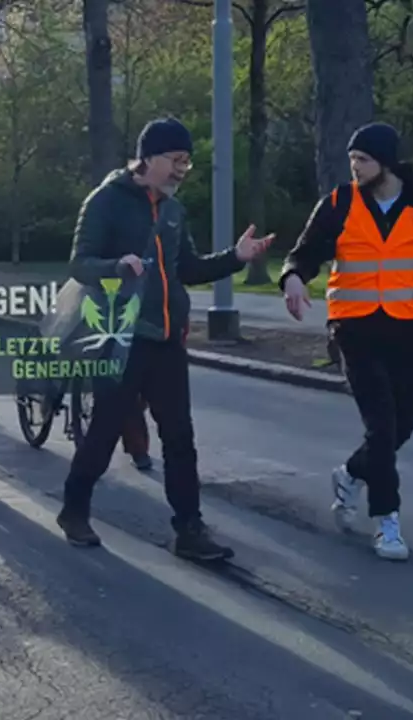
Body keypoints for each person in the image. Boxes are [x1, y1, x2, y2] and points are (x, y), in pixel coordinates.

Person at [55, 117, 273, 560]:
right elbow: (80, 264)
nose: (181, 170)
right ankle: (74, 510)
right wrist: (116, 266)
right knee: (105, 429)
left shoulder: (173, 210)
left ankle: (189, 531)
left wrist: (235, 257)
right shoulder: (105, 201)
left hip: (167, 338)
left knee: (179, 437)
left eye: (186, 163)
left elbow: (187, 269)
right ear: (148, 158)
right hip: (119, 335)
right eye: (176, 161)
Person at [279, 122, 413, 562]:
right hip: (354, 331)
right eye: (352, 160)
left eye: (362, 160)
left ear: (385, 161)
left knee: (402, 425)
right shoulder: (339, 202)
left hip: (406, 331)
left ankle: (350, 473)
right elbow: (305, 251)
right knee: (382, 426)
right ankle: (387, 522)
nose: (355, 167)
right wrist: (292, 277)